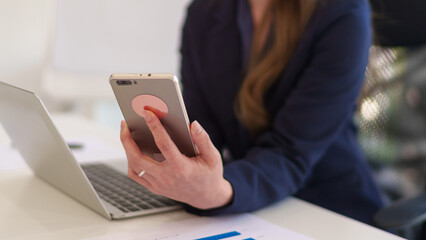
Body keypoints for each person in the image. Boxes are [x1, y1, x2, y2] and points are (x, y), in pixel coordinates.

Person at [120, 0, 385, 225]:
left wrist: (220, 190)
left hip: (329, 211)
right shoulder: (205, 11)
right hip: (252, 207)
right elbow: (201, 130)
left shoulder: (342, 13)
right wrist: (170, 161)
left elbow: (291, 152)